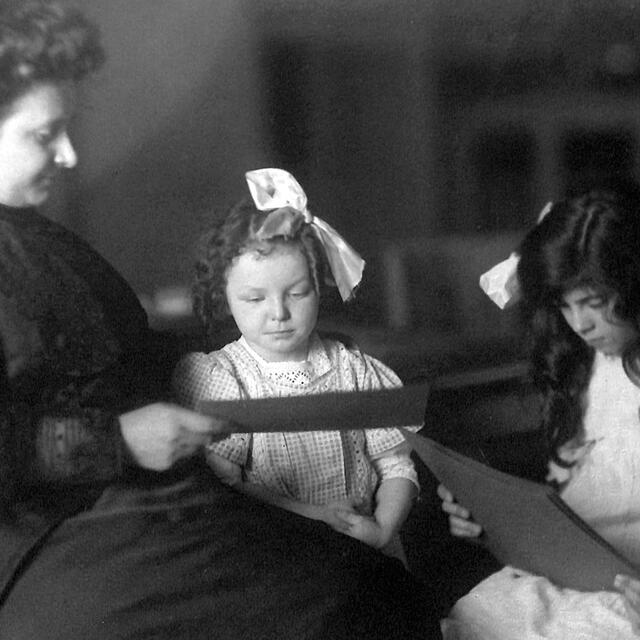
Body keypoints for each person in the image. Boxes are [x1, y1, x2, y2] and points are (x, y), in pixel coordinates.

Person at [0, 2, 441, 638]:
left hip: (139, 503)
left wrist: (256, 342)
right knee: (338, 600)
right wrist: (118, 440)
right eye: (45, 134)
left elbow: (123, 351)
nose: (68, 155)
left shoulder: (38, 239)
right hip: (40, 540)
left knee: (367, 583)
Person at [173, 167, 421, 564]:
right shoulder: (225, 379)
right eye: (255, 299)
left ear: (319, 286)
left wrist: (383, 530)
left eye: (298, 293)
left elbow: (395, 465)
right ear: (225, 297)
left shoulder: (355, 371)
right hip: (280, 556)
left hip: (367, 550)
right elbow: (226, 483)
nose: (279, 314)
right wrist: (314, 517)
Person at [439, 187, 640, 639]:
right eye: (566, 306)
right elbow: (578, 507)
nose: (580, 324)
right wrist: (490, 523)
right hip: (571, 577)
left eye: (593, 303)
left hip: (629, 595)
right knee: (479, 613)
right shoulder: (588, 363)